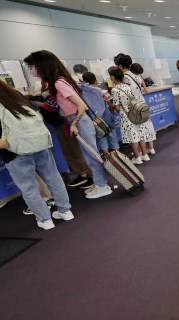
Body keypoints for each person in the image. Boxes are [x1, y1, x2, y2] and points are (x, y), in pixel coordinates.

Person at [24, 50, 112, 199]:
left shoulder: (58, 83)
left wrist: (74, 123)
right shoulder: (60, 80)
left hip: (79, 121)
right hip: (76, 120)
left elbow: (81, 105)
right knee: (89, 154)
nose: (33, 71)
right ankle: (99, 183)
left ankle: (102, 186)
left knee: (91, 155)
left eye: (34, 67)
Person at [0, 78, 74, 229]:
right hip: (39, 144)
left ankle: (45, 220)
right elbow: (38, 114)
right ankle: (66, 211)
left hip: (15, 152)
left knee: (29, 187)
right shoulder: (16, 95)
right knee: (54, 178)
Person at [108, 67, 151, 165]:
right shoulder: (127, 86)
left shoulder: (115, 90)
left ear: (112, 77)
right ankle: (144, 155)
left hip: (126, 115)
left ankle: (137, 158)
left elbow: (117, 107)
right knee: (140, 135)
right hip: (134, 112)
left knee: (132, 138)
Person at [116, 56, 157, 154]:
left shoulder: (124, 77)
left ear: (120, 66)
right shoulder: (135, 74)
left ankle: (138, 152)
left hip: (133, 104)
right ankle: (150, 148)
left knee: (136, 128)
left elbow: (128, 93)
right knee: (146, 123)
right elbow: (142, 83)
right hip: (141, 102)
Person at [81, 72, 120, 158]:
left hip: (95, 118)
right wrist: (112, 115)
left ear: (83, 81)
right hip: (107, 115)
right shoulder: (102, 91)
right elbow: (110, 103)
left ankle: (108, 159)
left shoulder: (82, 94)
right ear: (96, 81)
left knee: (101, 137)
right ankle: (119, 157)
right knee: (112, 136)